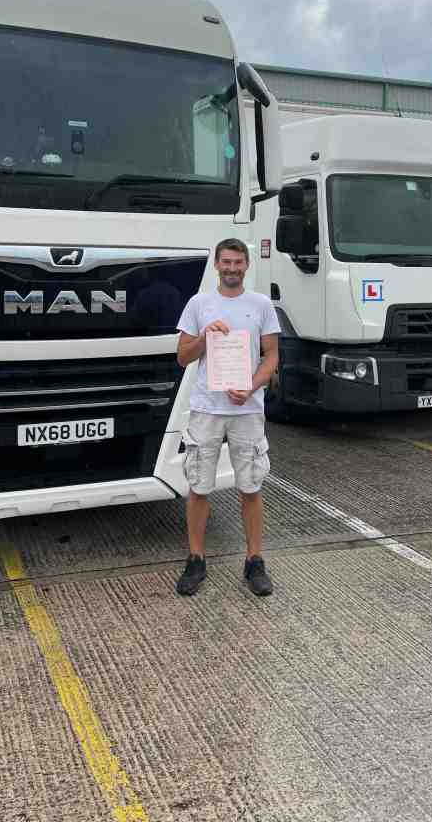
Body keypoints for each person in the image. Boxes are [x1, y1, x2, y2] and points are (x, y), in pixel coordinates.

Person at [175, 238, 280, 596]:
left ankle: (254, 560)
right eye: (226, 262)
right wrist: (205, 336)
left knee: (251, 485)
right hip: (207, 408)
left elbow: (271, 356)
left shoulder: (261, 304)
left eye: (238, 262)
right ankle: (196, 559)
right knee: (198, 487)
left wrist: (251, 386)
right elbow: (183, 357)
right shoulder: (199, 304)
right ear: (216, 265)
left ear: (246, 265)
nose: (232, 268)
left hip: (247, 409)